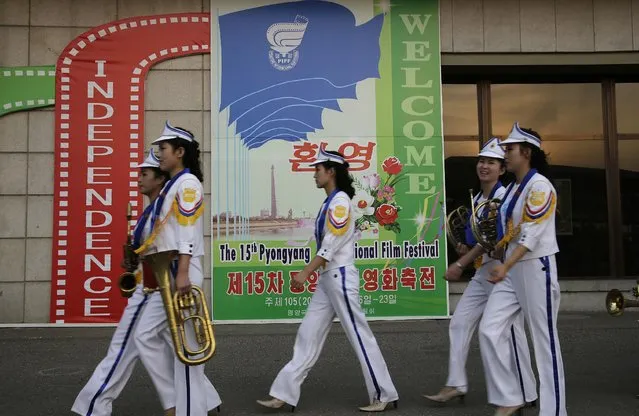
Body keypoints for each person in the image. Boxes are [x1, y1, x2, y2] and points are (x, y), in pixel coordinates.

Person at [256, 148, 399, 412]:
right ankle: (284, 394)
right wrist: (311, 272)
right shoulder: (330, 201)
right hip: (328, 279)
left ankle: (384, 394)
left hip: (340, 276)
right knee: (307, 334)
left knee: (359, 336)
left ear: (331, 171)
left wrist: (305, 273)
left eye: (318, 170)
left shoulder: (340, 202)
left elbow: (329, 246)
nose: (314, 174)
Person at [423, 138, 538, 409]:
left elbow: (489, 243)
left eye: (492, 162)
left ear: (502, 169)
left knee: (511, 333)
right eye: (482, 161)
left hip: (503, 272)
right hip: (482, 274)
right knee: (460, 322)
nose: (484, 166)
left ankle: (526, 393)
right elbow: (474, 239)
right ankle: (456, 383)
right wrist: (463, 247)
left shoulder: (504, 196)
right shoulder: (477, 198)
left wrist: (461, 262)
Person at [72, 149, 171, 416]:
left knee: (122, 348)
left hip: (153, 290)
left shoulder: (162, 209)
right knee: (169, 350)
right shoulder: (150, 210)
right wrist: (131, 259)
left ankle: (94, 406)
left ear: (159, 179)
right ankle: (203, 400)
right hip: (152, 288)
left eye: (145, 174)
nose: (139, 178)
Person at [133, 121, 222, 416]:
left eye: (164, 148)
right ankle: (182, 402)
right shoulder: (173, 184)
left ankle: (189, 410)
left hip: (179, 270)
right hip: (168, 270)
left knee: (187, 349)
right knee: (146, 335)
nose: (159, 153)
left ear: (180, 152)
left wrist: (182, 271)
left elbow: (186, 231)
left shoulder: (187, 184)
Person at [479, 122, 566, 416]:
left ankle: (554, 412)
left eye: (510, 149)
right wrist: (495, 249)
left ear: (526, 152)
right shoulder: (515, 187)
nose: (505, 154)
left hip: (533, 266)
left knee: (545, 343)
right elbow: (510, 231)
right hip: (511, 268)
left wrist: (507, 264)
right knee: (490, 330)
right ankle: (511, 396)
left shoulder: (540, 186)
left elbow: (531, 234)